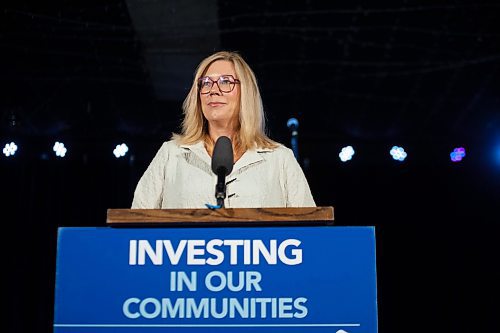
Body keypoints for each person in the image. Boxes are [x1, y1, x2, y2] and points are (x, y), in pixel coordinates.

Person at [131, 51, 315, 209]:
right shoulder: (170, 155)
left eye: (226, 82)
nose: (214, 90)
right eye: (206, 83)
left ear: (246, 93)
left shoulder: (280, 159)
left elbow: (310, 234)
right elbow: (136, 225)